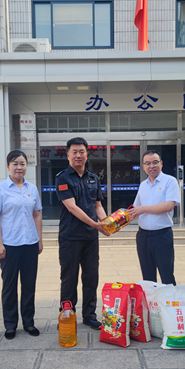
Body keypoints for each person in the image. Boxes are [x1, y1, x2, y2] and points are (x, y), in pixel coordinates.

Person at [56, 137, 109, 330]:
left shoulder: (94, 178)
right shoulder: (62, 178)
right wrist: (95, 224)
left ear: (87, 154)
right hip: (70, 237)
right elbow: (71, 207)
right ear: (68, 155)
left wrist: (108, 223)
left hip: (90, 238)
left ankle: (89, 316)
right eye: (74, 152)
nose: (78, 155)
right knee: (69, 279)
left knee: (91, 277)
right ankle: (66, 316)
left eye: (82, 152)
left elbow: (98, 206)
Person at [0, 150, 43, 340]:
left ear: (26, 166)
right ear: (8, 167)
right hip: (9, 245)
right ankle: (10, 325)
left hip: (30, 244)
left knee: (29, 286)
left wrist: (39, 240)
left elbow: (37, 214)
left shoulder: (32, 189)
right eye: (15, 164)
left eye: (22, 163)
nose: (19, 167)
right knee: (9, 287)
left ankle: (29, 322)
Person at [128, 150, 180, 285]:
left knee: (166, 275)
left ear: (161, 163)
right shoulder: (143, 185)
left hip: (162, 236)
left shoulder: (170, 181)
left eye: (155, 162)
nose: (151, 166)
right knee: (147, 277)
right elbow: (136, 209)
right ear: (143, 166)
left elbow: (169, 205)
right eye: (148, 163)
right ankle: (151, 299)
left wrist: (143, 209)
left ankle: (169, 299)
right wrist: (117, 221)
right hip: (143, 236)